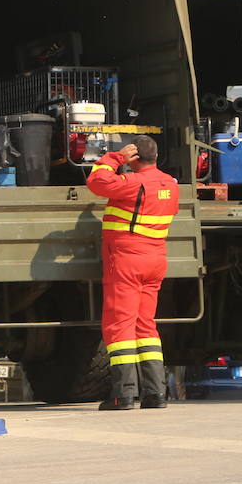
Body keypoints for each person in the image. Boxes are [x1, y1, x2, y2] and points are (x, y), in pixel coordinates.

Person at [86, 134, 179, 410]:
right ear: (157, 156)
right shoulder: (170, 185)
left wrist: (115, 157)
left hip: (127, 261)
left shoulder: (133, 183)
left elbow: (96, 182)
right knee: (145, 325)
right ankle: (155, 393)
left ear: (135, 157)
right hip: (155, 259)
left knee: (120, 324)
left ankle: (123, 394)